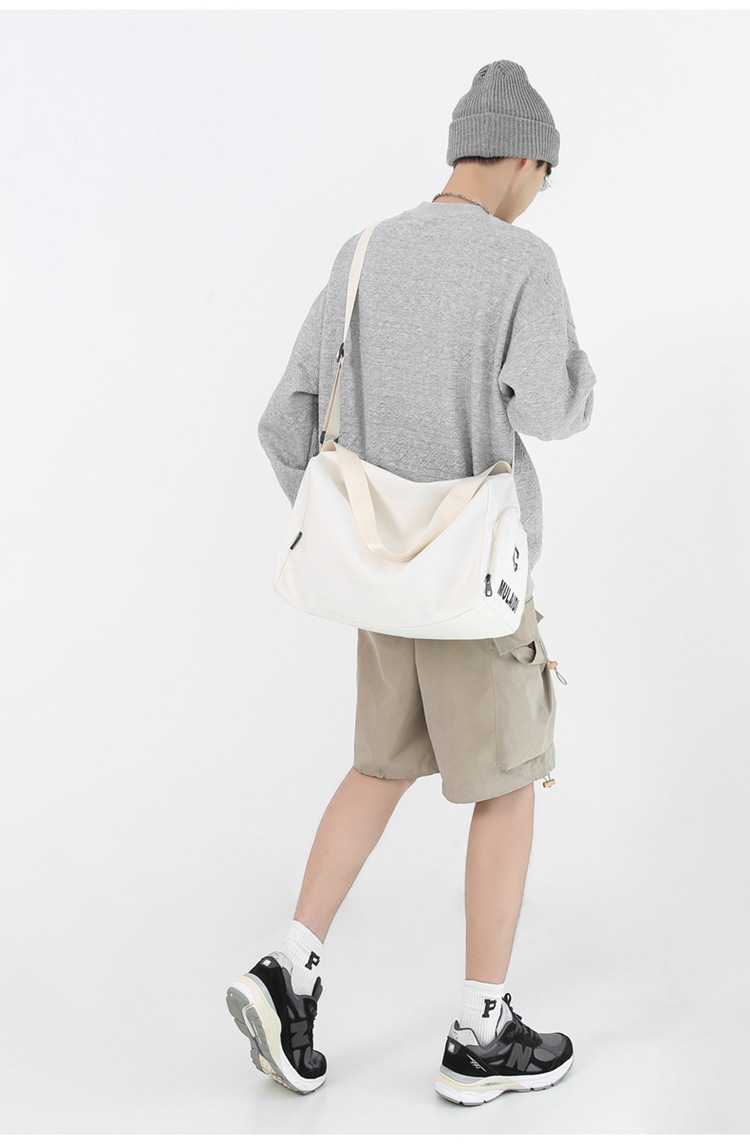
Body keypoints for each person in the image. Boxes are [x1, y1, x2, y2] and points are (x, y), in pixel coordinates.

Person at [226, 59, 597, 1104]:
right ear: (522, 157)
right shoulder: (522, 261)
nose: (539, 194)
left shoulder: (363, 253)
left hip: (381, 585)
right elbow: (553, 408)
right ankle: (483, 1032)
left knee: (378, 769)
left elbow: (285, 423)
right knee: (508, 782)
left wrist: (352, 533)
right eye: (546, 175)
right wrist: (583, 374)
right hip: (476, 585)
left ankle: (290, 967)